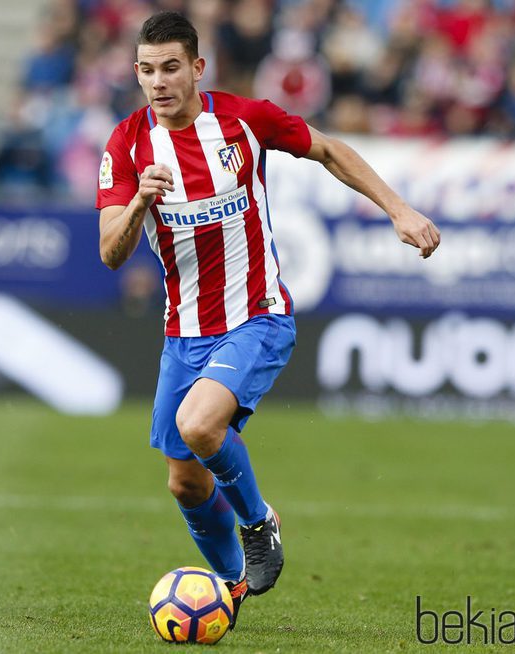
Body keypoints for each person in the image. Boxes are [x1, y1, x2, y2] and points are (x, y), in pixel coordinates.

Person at [96, 12, 440, 628]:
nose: (158, 81)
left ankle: (260, 522)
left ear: (198, 67)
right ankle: (230, 590)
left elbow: (330, 150)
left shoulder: (244, 121)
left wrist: (399, 210)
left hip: (257, 316)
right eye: (146, 70)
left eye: (171, 67)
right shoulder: (126, 146)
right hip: (183, 334)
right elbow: (110, 253)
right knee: (185, 484)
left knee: (199, 426)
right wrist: (140, 203)